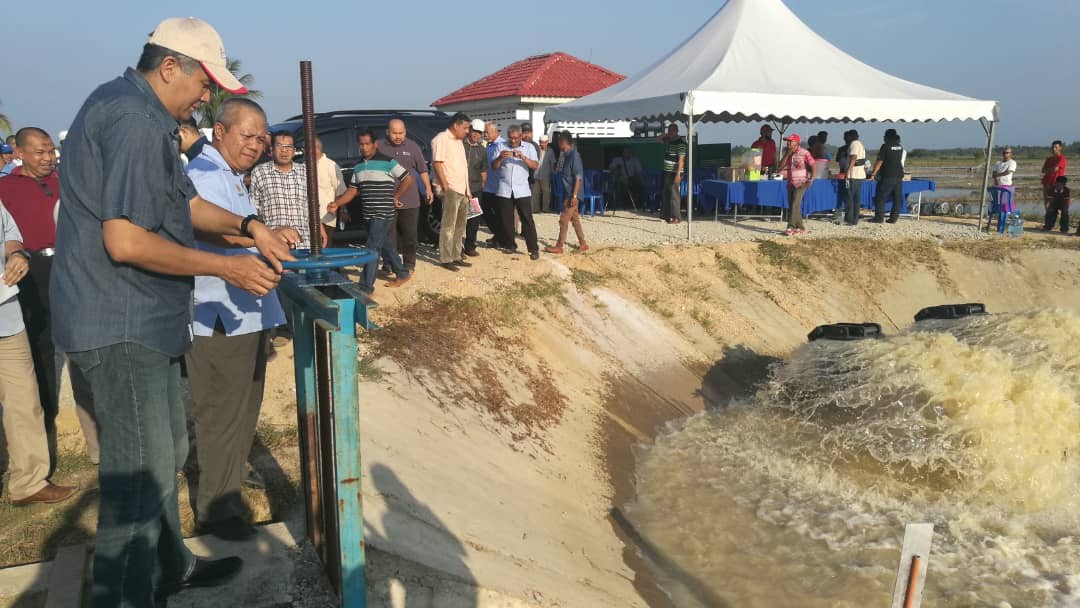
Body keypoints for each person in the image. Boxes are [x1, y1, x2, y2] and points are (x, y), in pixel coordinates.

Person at [51, 18, 297, 606]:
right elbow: (126, 242)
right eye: (204, 83)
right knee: (138, 480)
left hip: (147, 322)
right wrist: (226, 267)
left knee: (166, 456)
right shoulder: (135, 121)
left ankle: (169, 567)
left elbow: (185, 205)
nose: (207, 96)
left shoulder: (149, 119)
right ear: (169, 67)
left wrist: (248, 226)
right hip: (122, 323)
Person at [184, 98, 288, 541]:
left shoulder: (229, 174)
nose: (255, 145)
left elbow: (237, 230)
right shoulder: (203, 174)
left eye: (260, 137)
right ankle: (216, 508)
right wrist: (256, 233)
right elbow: (204, 227)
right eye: (247, 135)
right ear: (220, 132)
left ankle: (228, 483)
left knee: (244, 406)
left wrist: (269, 235)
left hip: (246, 310)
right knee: (221, 412)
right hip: (220, 312)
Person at [0, 127, 100, 466]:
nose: (48, 158)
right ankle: (43, 433)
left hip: (70, 266)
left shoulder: (65, 182)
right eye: (40, 152)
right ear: (20, 154)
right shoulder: (5, 188)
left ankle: (98, 440)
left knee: (83, 347)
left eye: (50, 151)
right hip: (29, 273)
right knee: (40, 353)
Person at [0, 201, 77, 505]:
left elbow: (9, 233)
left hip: (6, 315)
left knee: (24, 401)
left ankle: (29, 482)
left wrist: (17, 254)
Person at [329, 130, 414, 291]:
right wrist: (337, 203)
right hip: (368, 214)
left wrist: (395, 196)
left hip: (383, 213)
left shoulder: (388, 162)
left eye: (367, 144)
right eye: (361, 144)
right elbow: (352, 191)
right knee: (384, 245)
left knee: (371, 248)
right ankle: (402, 273)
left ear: (375, 144)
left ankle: (365, 287)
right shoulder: (359, 166)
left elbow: (407, 178)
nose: (364, 147)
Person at [251, 131, 326, 249]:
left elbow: (313, 205)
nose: (284, 150)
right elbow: (253, 209)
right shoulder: (259, 172)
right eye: (280, 146)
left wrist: (320, 227)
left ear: (294, 150)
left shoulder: (306, 172)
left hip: (304, 242)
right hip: (274, 242)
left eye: (288, 147)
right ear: (272, 149)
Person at [377, 119, 433, 272]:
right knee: (389, 236)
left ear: (405, 132)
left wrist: (427, 188)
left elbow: (422, 170)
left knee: (410, 235)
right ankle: (389, 264)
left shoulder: (412, 146)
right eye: (394, 133)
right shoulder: (379, 147)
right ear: (387, 132)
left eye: (401, 133)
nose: (398, 136)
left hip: (410, 199)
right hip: (386, 199)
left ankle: (409, 263)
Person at [430, 113, 472, 272]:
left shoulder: (459, 142)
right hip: (451, 189)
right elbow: (437, 163)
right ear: (456, 125)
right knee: (448, 225)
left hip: (462, 189)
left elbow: (462, 167)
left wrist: (468, 190)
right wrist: (445, 186)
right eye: (465, 127)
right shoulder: (441, 139)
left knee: (461, 225)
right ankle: (446, 258)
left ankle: (456, 255)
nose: (467, 131)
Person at [491, 125, 539, 259]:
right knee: (506, 219)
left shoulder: (529, 147)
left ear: (521, 136)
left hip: (522, 189)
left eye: (516, 138)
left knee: (527, 219)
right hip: (504, 188)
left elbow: (535, 165)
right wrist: (500, 158)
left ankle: (533, 249)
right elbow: (493, 167)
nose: (513, 141)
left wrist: (523, 158)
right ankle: (510, 244)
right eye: (511, 138)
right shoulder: (501, 146)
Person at [543, 132, 589, 254]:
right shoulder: (566, 155)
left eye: (558, 142)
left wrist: (574, 195)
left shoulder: (574, 156)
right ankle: (583, 243)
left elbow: (578, 177)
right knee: (575, 220)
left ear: (562, 142)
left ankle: (559, 246)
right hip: (567, 192)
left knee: (563, 220)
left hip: (571, 194)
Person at [777, 134, 815, 235]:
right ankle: (800, 227)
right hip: (790, 182)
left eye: (790, 141)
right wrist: (787, 154)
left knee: (795, 203)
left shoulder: (804, 153)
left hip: (802, 183)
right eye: (787, 141)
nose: (788, 143)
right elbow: (779, 167)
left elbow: (813, 164)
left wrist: (812, 178)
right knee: (793, 205)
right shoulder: (788, 153)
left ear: (796, 143)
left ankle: (790, 226)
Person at [312, 135, 346, 245]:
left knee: (325, 248)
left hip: (326, 216)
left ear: (317, 148)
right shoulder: (304, 166)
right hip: (310, 217)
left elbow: (340, 190)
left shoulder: (331, 165)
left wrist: (343, 210)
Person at [869, 129, 906, 223]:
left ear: (887, 137)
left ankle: (879, 218)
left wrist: (873, 173)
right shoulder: (900, 147)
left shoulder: (885, 146)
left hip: (888, 175)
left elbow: (880, 161)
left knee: (880, 197)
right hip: (899, 175)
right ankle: (894, 218)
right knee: (897, 198)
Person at [462, 120, 487, 256]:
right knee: (458, 220)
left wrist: (483, 184)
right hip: (459, 188)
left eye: (479, 133)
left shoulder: (482, 150)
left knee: (474, 220)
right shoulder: (460, 145)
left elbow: (483, 170)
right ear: (469, 130)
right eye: (474, 131)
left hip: (475, 188)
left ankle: (470, 246)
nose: (476, 135)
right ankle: (456, 247)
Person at [481, 122, 506, 247]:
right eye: (484, 132)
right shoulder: (488, 145)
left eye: (487, 132)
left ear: (495, 132)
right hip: (487, 185)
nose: (485, 134)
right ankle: (499, 235)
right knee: (486, 211)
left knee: (499, 214)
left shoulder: (502, 145)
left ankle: (500, 238)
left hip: (499, 186)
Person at [658, 124, 686, 223]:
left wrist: (678, 174)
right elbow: (658, 139)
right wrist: (667, 134)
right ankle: (666, 215)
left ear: (677, 131)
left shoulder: (681, 143)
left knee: (674, 194)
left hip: (675, 172)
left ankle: (676, 217)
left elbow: (681, 160)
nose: (670, 132)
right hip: (667, 171)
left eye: (672, 130)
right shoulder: (669, 140)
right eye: (669, 130)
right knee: (666, 193)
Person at [843, 130, 867, 225]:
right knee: (856, 198)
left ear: (850, 137)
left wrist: (847, 172)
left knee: (850, 197)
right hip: (860, 175)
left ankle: (849, 219)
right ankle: (855, 219)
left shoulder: (854, 144)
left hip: (853, 175)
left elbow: (853, 158)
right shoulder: (860, 144)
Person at [1042, 140, 1067, 212]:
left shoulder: (1061, 158)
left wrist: (1048, 170)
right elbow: (1043, 170)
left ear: (1060, 148)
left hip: (1057, 183)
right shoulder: (1049, 159)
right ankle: (1048, 218)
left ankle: (1056, 219)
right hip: (1046, 182)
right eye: (1053, 147)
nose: (1054, 149)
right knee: (1046, 201)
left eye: (1056, 147)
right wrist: (1051, 169)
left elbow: (1055, 169)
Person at [532, 134, 554, 213]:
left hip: (545, 175)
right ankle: (535, 209)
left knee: (546, 193)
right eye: (541, 142)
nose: (543, 144)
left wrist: (552, 174)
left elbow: (552, 163)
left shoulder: (550, 151)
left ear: (547, 142)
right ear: (539, 142)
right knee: (535, 192)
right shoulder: (536, 150)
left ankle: (545, 209)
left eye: (544, 142)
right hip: (535, 175)